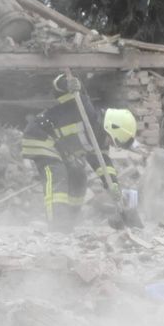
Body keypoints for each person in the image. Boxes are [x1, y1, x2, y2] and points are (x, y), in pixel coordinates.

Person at [20, 77, 129, 228]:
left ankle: (69, 220)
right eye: (113, 139)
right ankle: (57, 223)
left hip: (61, 148)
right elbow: (57, 85)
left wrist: (114, 186)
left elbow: (103, 165)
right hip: (41, 137)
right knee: (57, 174)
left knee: (78, 175)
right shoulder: (83, 106)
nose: (111, 144)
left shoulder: (98, 142)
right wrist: (69, 83)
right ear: (109, 127)